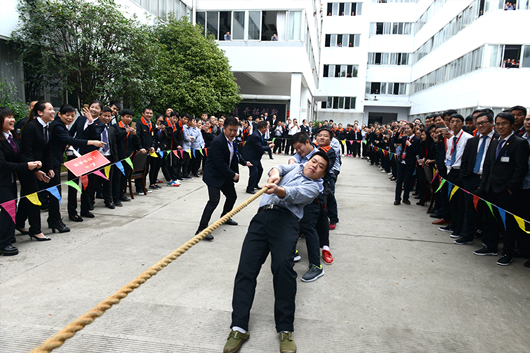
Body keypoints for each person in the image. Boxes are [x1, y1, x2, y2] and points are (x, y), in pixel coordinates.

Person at [223, 151, 330, 353]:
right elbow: (280, 168)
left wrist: (278, 188)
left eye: (320, 166)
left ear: (322, 174)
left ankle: (285, 329)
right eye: (313, 161)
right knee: (246, 270)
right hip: (261, 218)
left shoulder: (314, 187)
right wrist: (274, 172)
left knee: (283, 270)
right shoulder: (297, 167)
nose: (314, 166)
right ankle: (238, 327)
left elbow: (293, 194)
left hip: (286, 222)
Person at [473, 112, 529, 265]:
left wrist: (511, 188)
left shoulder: (519, 143)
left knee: (507, 223)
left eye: (504, 123)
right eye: (497, 124)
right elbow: (488, 166)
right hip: (491, 188)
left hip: (506, 191)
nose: (500, 127)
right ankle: (490, 246)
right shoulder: (495, 141)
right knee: (490, 220)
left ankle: (508, 252)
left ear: (511, 125)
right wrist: (484, 186)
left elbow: (521, 168)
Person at [196, 117, 252, 239]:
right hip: (214, 176)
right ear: (224, 128)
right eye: (230, 130)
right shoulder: (218, 142)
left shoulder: (232, 140)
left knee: (232, 196)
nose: (233, 133)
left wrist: (244, 162)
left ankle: (225, 217)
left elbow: (235, 154)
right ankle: (201, 228)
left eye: (235, 130)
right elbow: (219, 163)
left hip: (224, 175)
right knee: (214, 200)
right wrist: (233, 174)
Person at [48, 104, 104, 227]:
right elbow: (70, 134)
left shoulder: (100, 123)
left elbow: (96, 136)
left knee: (87, 184)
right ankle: (72, 212)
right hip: (74, 156)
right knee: (73, 184)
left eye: (97, 108)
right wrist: (69, 144)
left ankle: (85, 209)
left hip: (88, 157)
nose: (93, 109)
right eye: (92, 107)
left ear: (100, 111)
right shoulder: (79, 119)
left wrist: (90, 121)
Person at [0, 107, 42, 256]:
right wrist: (26, 166)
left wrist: (34, 165)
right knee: (7, 209)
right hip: (2, 181)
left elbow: (18, 156)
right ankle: (4, 244)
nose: (12, 120)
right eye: (8, 117)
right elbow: (3, 164)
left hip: (10, 181)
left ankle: (8, 237)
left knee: (11, 208)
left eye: (12, 117)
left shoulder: (10, 136)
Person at [455, 111, 498, 245]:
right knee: (469, 208)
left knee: (488, 212)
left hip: (489, 180)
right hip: (472, 178)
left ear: (492, 123)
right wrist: (464, 177)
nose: (481, 125)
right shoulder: (472, 141)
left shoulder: (498, 139)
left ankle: (488, 242)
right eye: (478, 123)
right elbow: (465, 160)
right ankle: (467, 235)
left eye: (484, 123)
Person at [16, 101, 55, 241]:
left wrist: (49, 167)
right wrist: (35, 171)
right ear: (39, 112)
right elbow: (26, 152)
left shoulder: (47, 127)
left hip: (37, 165)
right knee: (33, 198)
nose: (52, 111)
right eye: (49, 109)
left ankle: (19, 223)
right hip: (27, 167)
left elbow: (47, 150)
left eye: (52, 109)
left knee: (27, 195)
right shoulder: (31, 127)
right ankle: (36, 230)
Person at [243, 121, 274, 194]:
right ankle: (249, 188)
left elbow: (261, 142)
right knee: (254, 172)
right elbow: (259, 148)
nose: (267, 129)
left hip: (255, 157)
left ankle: (255, 184)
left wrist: (267, 142)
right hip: (251, 156)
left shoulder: (259, 134)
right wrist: (269, 147)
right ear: (263, 128)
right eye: (266, 127)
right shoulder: (256, 135)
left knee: (260, 169)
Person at [394, 123, 420, 205]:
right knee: (399, 181)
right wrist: (398, 131)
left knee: (407, 181)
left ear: (412, 129)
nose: (406, 130)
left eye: (408, 128)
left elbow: (416, 152)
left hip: (409, 163)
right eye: (405, 129)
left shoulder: (416, 139)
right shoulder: (404, 138)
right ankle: (397, 199)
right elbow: (395, 141)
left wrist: (410, 145)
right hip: (401, 162)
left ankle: (406, 198)